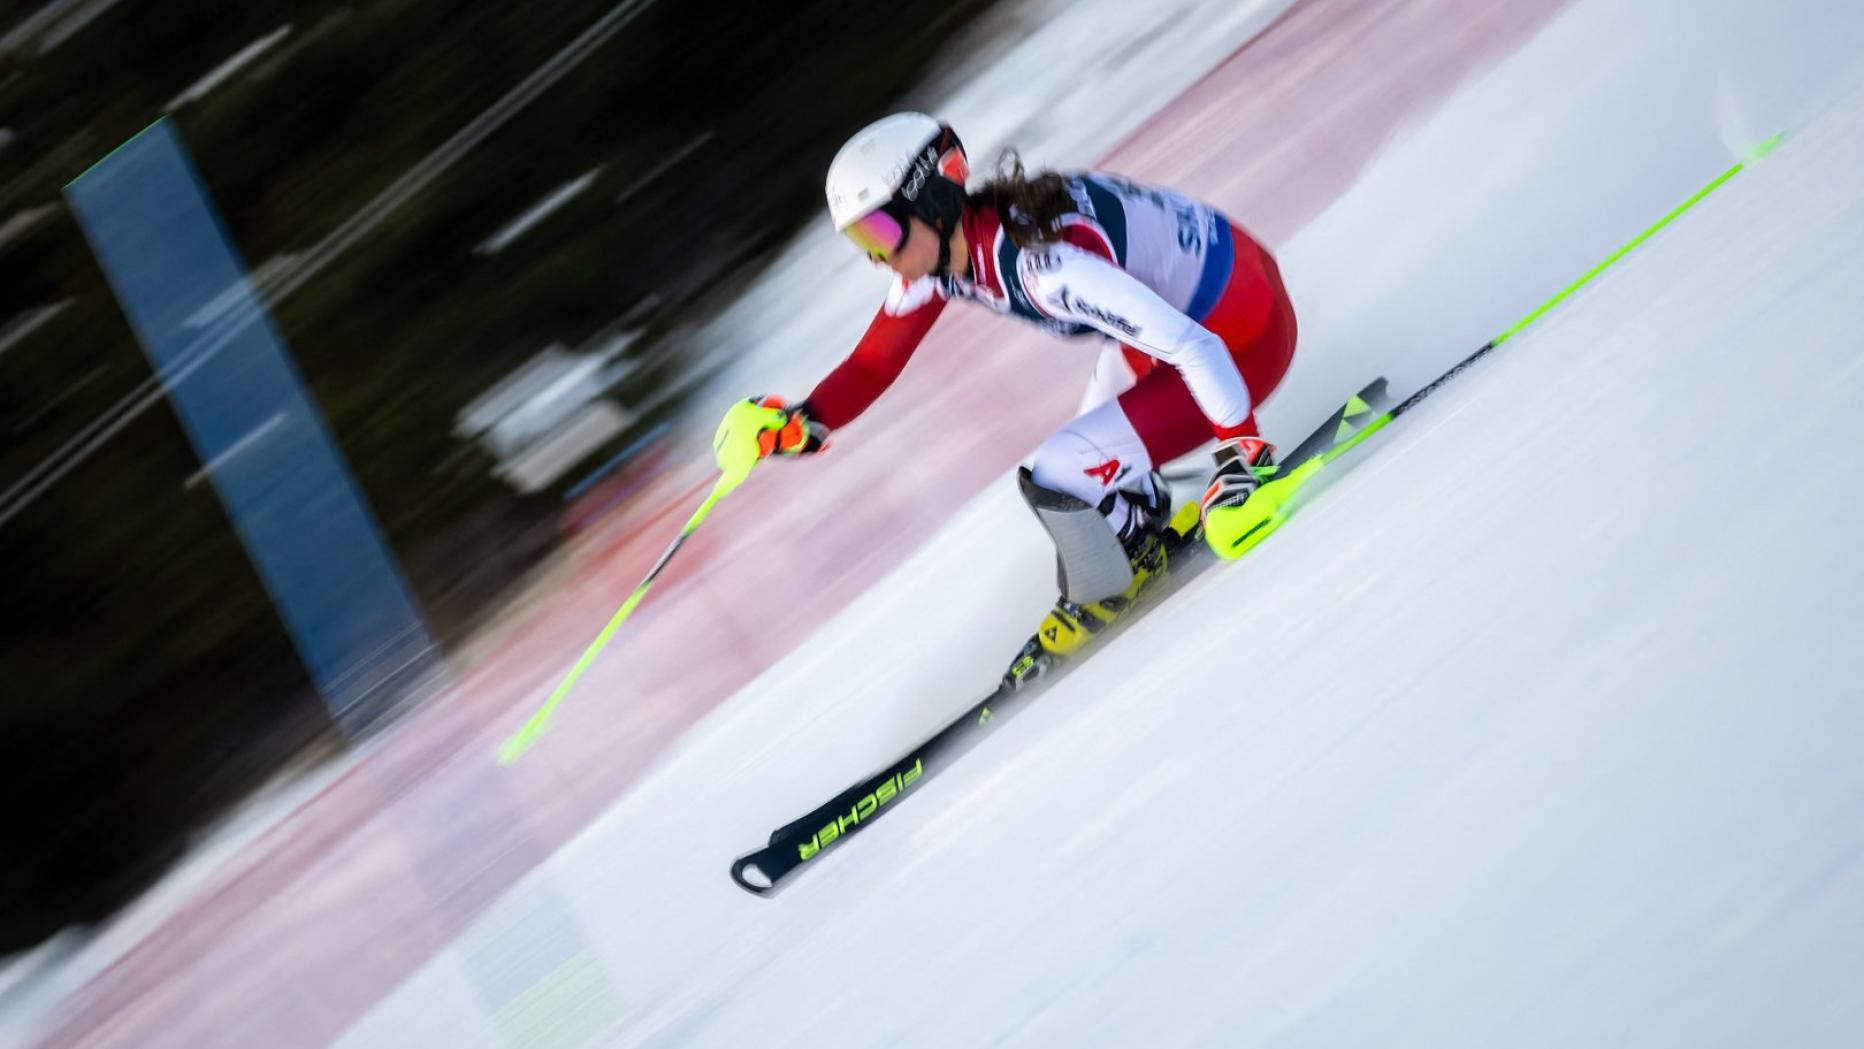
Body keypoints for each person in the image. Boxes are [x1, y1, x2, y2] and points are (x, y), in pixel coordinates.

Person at [714, 112, 1297, 688]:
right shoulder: (952, 253)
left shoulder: (1045, 267)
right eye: (861, 241)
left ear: (934, 202)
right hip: (1218, 307)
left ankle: (1120, 575)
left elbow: (1196, 345)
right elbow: (872, 365)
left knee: (1060, 475)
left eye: (883, 234)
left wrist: (1244, 459)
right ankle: (1137, 531)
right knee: (1087, 453)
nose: (876, 258)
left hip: (1243, 337)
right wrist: (798, 422)